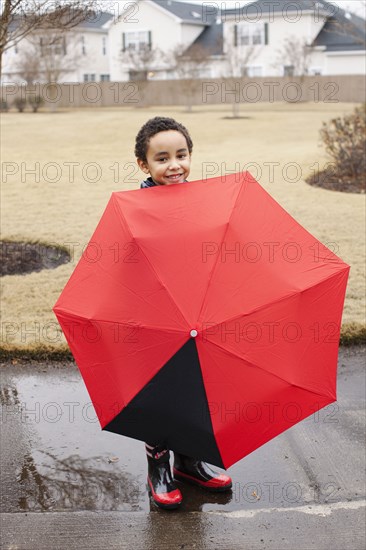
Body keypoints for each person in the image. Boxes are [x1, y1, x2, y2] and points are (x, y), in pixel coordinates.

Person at [134, 116, 232, 510]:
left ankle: (190, 461)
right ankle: (157, 468)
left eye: (182, 155)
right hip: (157, 320)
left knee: (197, 392)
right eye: (162, 158)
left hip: (200, 314)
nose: (175, 165)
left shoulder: (204, 201)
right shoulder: (135, 209)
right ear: (144, 165)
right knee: (161, 395)